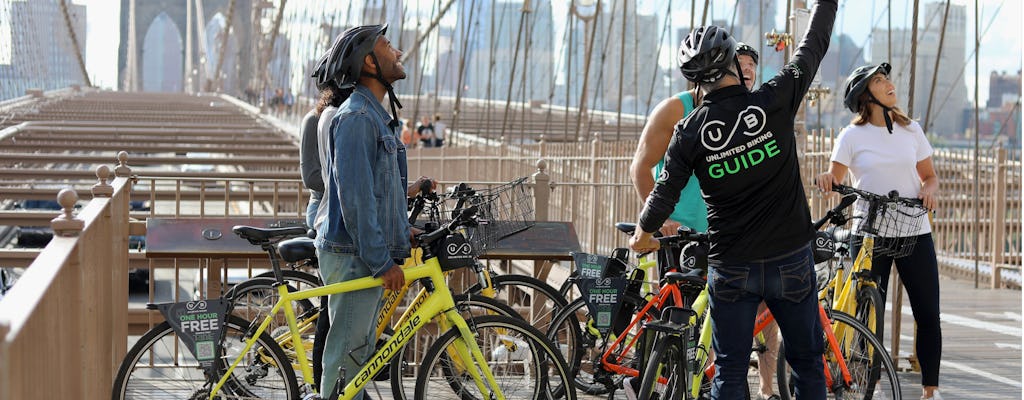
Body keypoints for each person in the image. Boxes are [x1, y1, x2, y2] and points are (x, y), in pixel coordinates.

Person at [629, 1, 838, 398]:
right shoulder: (774, 99)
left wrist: (643, 232)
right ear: (730, 61)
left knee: (729, 369)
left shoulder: (689, 131)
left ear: (693, 79)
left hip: (731, 266)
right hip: (790, 257)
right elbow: (813, 45)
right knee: (808, 362)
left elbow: (662, 194)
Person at [627, 40, 781, 400]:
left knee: (762, 314)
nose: (744, 71)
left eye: (750, 66)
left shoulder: (750, 113)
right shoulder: (675, 109)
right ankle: (669, 384)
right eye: (737, 64)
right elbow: (640, 167)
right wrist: (658, 220)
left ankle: (768, 389)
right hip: (679, 233)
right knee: (682, 318)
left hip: (730, 236)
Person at [815, 62, 942, 400]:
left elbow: (930, 175)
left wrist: (930, 189)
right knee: (867, 312)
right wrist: (829, 180)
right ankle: (867, 378)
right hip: (869, 233)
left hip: (914, 229)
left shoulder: (911, 129)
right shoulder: (851, 135)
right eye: (879, 80)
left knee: (927, 311)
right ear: (864, 95)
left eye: (888, 78)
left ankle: (931, 388)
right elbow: (836, 176)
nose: (889, 84)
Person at [312, 24, 412, 398]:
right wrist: (380, 260)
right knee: (345, 362)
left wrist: (403, 231)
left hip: (360, 253)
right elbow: (355, 200)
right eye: (388, 46)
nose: (398, 51)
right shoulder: (356, 118)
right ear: (369, 62)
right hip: (352, 255)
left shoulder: (375, 118)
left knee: (357, 358)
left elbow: (377, 192)